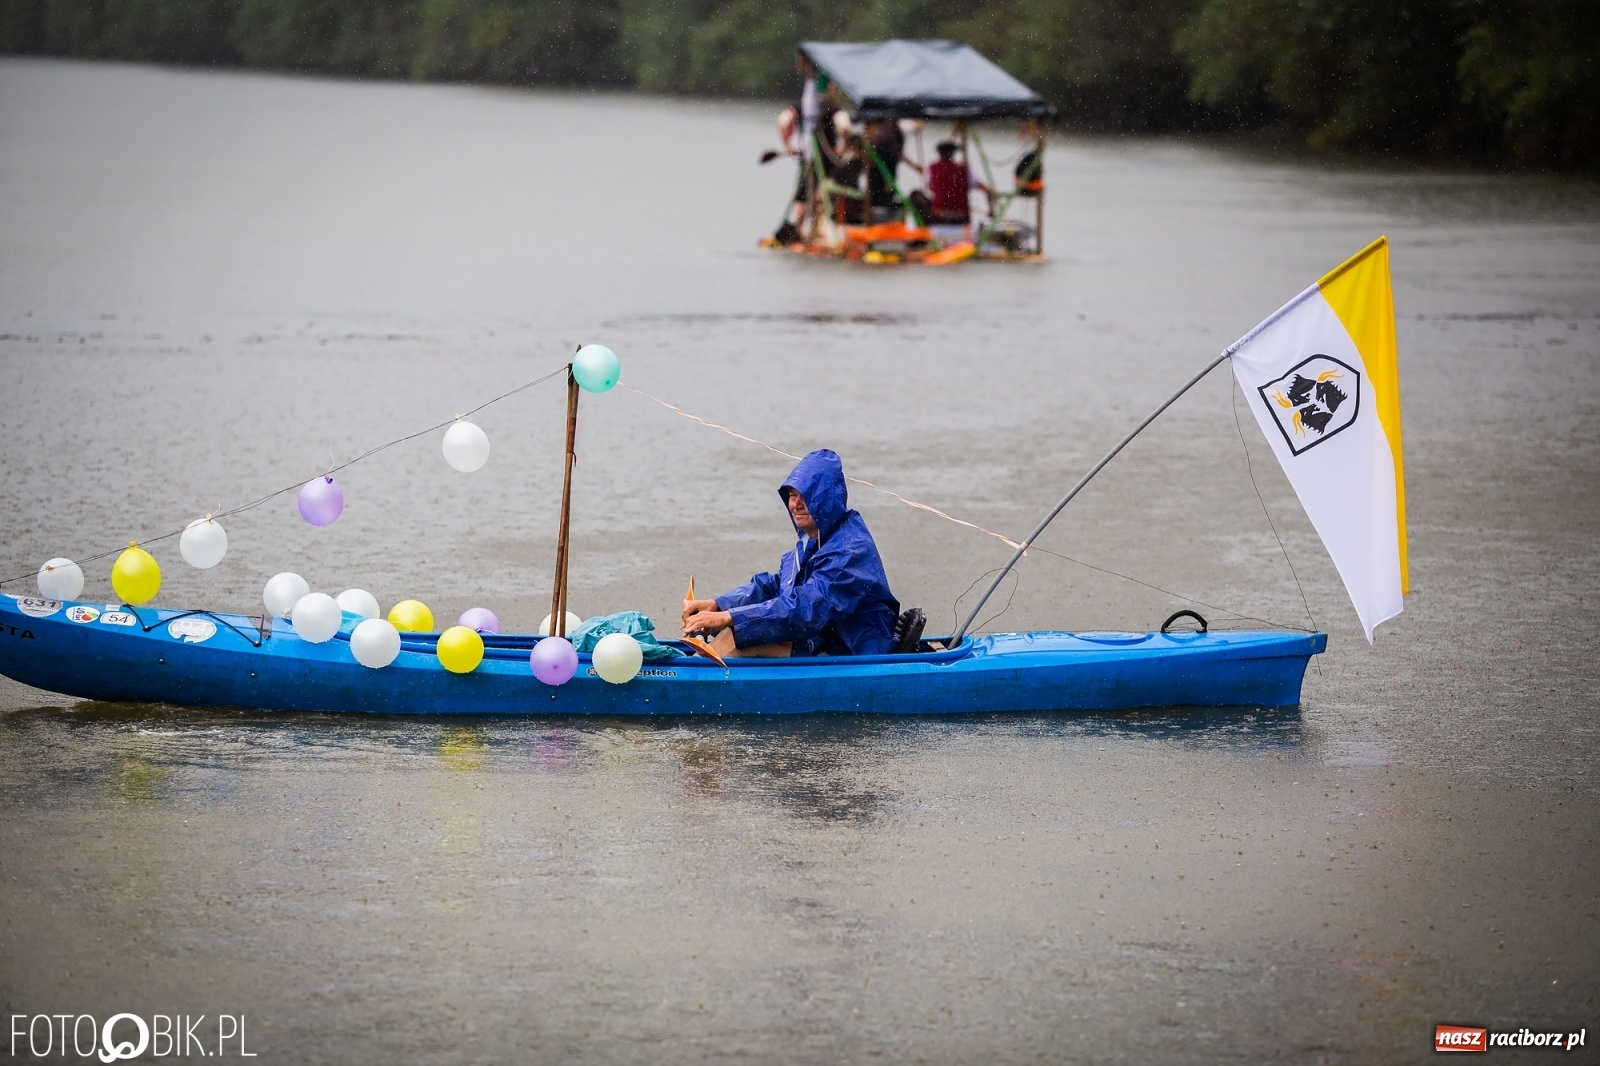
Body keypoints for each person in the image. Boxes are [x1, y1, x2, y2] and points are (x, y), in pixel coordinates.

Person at [681, 449, 900, 658]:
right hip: (823, 638)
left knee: (736, 637)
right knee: (737, 630)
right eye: (792, 496)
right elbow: (778, 586)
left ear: (826, 501)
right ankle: (696, 666)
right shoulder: (820, 538)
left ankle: (691, 681)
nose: (796, 504)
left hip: (850, 651)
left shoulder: (849, 551)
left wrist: (729, 618)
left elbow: (806, 609)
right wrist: (719, 605)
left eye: (806, 497)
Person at [921, 139, 990, 225]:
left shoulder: (931, 169)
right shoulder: (963, 170)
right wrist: (991, 211)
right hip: (961, 218)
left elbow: (930, 187)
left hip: (939, 217)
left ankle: (922, 228)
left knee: (916, 196)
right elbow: (987, 190)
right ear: (953, 154)